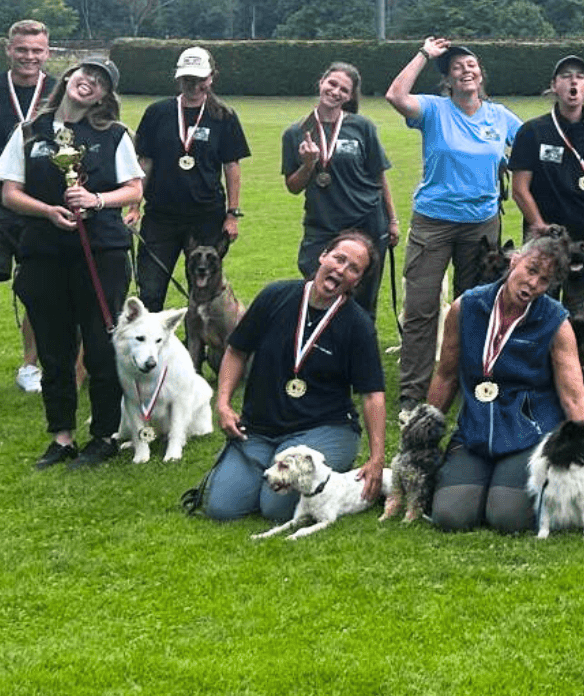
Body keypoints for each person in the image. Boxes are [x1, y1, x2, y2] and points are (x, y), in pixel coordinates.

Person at [0, 56, 144, 470]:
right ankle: (61, 436)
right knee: (55, 349)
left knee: (99, 346)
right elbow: (10, 192)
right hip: (44, 251)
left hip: (101, 254)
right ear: (69, 79)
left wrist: (96, 200)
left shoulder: (113, 134)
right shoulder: (29, 132)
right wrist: (47, 210)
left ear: (103, 97)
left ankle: (105, 436)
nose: (90, 83)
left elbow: (133, 189)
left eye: (100, 82)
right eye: (86, 75)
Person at [200, 231, 386, 521]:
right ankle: (257, 464)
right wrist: (223, 404)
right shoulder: (276, 295)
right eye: (339, 258)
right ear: (323, 255)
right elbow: (236, 351)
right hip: (260, 428)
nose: (341, 269)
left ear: (357, 282)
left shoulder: (358, 325)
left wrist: (377, 459)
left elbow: (373, 394)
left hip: (323, 428)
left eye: (353, 269)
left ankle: (327, 475)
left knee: (275, 508)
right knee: (222, 507)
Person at [385, 37, 522, 413]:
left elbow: (530, 146)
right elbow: (396, 96)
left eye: (472, 64)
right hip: (433, 222)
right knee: (421, 308)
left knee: (474, 307)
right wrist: (424, 55)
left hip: (481, 227)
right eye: (457, 66)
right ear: (447, 78)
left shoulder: (499, 116)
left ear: (481, 74)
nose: (466, 69)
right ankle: (413, 395)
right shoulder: (434, 109)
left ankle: (469, 382)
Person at [425, 230, 584, 533]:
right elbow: (446, 376)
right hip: (475, 430)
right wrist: (423, 440)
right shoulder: (466, 308)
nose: (533, 284)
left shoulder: (555, 321)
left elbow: (575, 398)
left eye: (544, 280)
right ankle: (481, 481)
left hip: (528, 433)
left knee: (507, 518)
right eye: (530, 270)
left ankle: (523, 484)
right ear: (515, 260)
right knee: (450, 516)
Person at [0, 19, 51, 406]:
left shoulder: (57, 91)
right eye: (22, 49)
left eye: (37, 50)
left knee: (37, 286)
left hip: (38, 200)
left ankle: (30, 367)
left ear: (47, 52)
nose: (29, 57)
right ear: (8, 50)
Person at [134, 46, 250, 310]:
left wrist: (232, 215)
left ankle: (197, 349)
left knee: (204, 293)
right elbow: (145, 162)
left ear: (211, 78)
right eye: (188, 79)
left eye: (199, 79)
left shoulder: (224, 116)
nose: (194, 85)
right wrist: (134, 205)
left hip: (206, 217)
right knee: (150, 291)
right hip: (160, 217)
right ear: (178, 78)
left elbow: (231, 166)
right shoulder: (157, 113)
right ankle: (151, 350)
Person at [281, 62, 399, 316]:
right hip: (323, 225)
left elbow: (379, 176)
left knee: (364, 300)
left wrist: (392, 220)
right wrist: (309, 165)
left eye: (344, 90)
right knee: (319, 291)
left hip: (367, 222)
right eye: (332, 84)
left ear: (350, 96)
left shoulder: (362, 127)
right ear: (321, 82)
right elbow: (293, 186)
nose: (335, 92)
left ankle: (359, 350)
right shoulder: (295, 132)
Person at [510, 54, 584, 275]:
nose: (573, 82)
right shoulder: (531, 132)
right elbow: (519, 189)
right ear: (554, 85)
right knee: (540, 304)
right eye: (565, 76)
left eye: (580, 77)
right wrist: (541, 229)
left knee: (581, 306)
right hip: (544, 243)